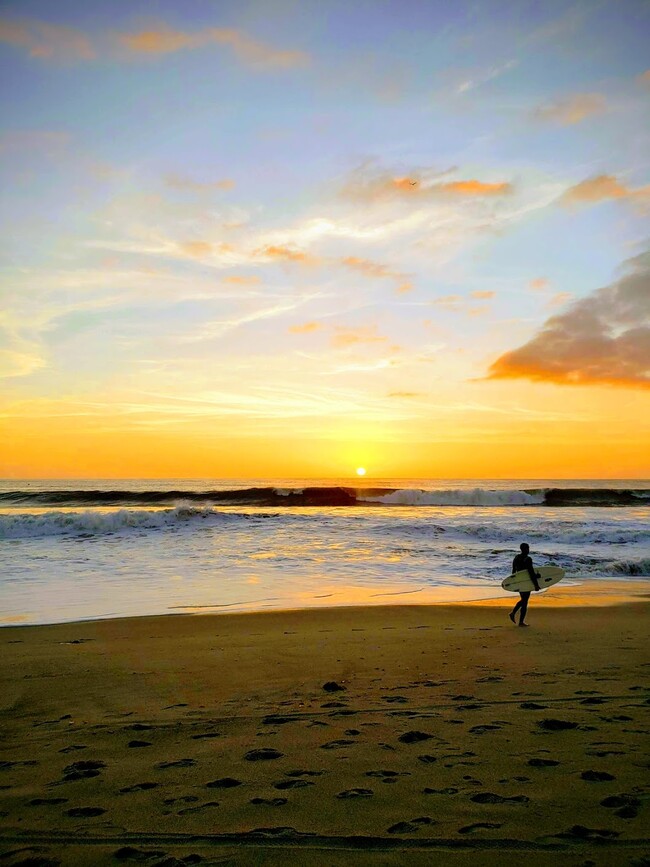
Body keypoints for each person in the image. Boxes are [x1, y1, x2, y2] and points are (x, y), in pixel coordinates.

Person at [509, 542, 541, 627]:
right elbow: (530, 573)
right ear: (525, 549)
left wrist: (514, 582)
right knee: (525, 601)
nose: (528, 550)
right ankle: (520, 621)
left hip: (519, 581)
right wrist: (536, 584)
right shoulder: (528, 559)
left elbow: (513, 572)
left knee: (523, 600)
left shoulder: (516, 557)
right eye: (528, 548)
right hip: (526, 582)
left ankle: (513, 613)